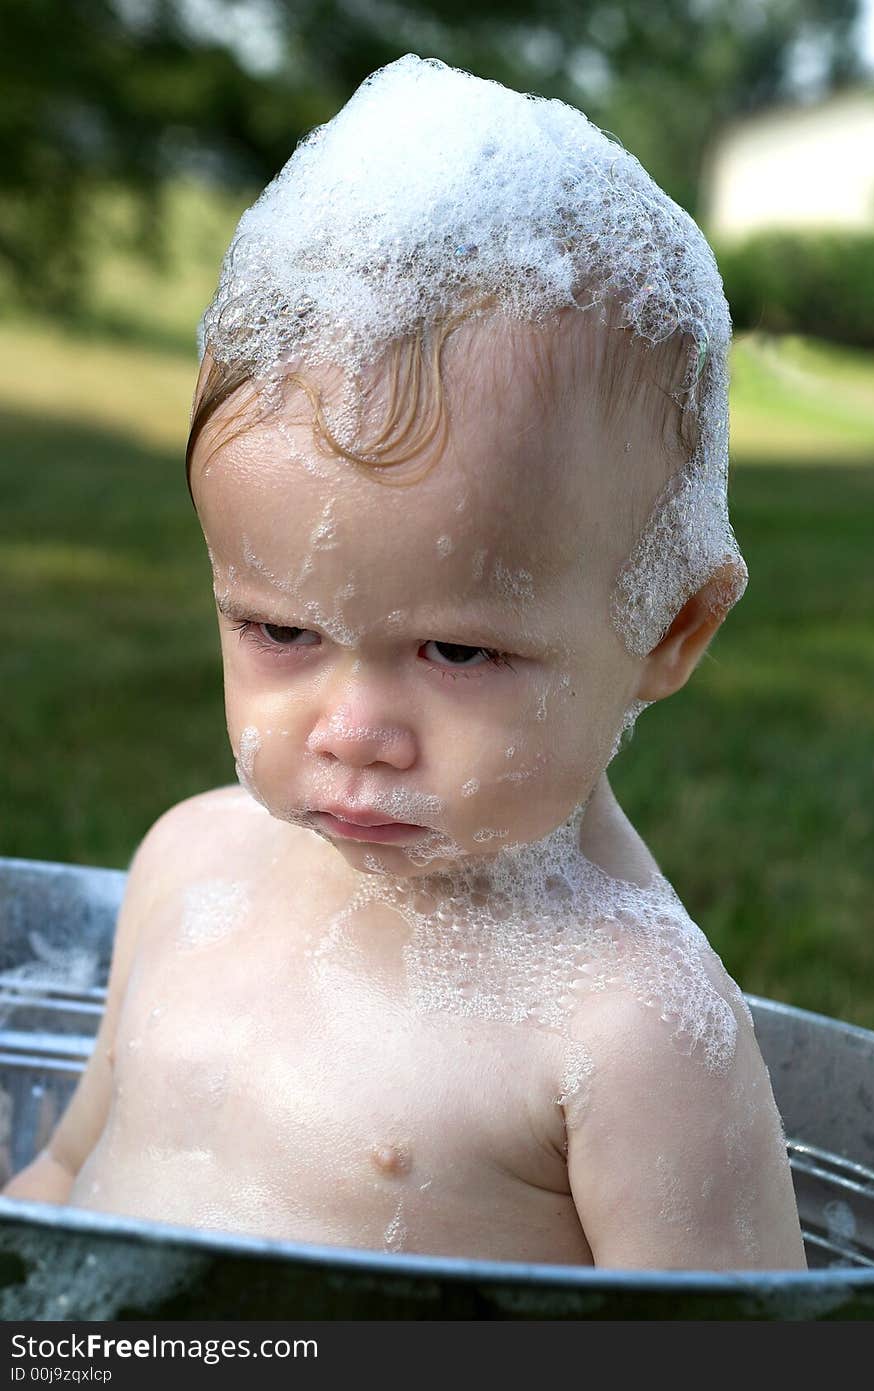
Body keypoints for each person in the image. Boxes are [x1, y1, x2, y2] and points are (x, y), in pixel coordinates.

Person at [3, 55, 807, 1269]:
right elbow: (61, 1182)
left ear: (672, 627)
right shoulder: (187, 864)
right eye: (281, 631)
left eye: (457, 649)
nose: (353, 727)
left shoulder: (628, 1031)